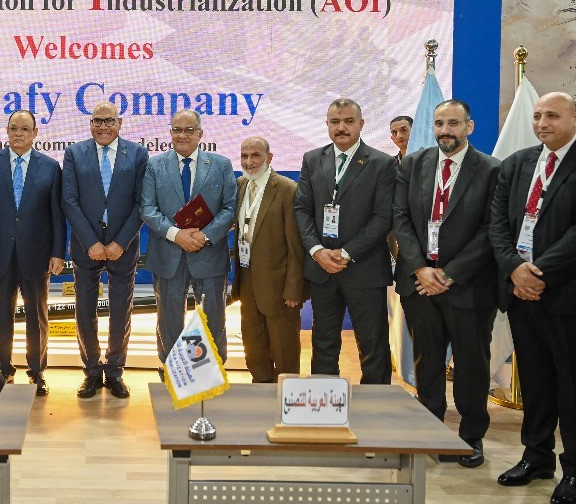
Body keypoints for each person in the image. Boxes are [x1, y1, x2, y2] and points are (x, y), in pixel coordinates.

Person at [489, 92, 576, 504]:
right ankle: (537, 456)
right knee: (536, 380)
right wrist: (514, 268)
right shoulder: (516, 163)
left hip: (571, 296)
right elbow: (498, 222)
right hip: (522, 292)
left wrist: (536, 272)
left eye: (552, 115)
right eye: (537, 116)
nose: (542, 123)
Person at [392, 99, 500, 467]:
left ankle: (471, 437)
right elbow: (400, 218)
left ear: (469, 126)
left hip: (468, 286)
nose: (445, 131)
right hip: (420, 284)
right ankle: (430, 429)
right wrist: (420, 269)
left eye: (453, 123)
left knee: (471, 364)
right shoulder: (413, 164)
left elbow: (491, 229)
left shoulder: (491, 169)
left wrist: (450, 274)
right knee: (427, 361)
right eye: (439, 123)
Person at [293, 98, 397, 384]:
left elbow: (383, 218)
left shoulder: (382, 163)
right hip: (322, 268)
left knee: (373, 344)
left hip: (365, 268)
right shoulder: (312, 159)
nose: (341, 127)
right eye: (335, 121)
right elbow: (302, 209)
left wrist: (347, 252)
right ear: (327, 124)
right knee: (323, 342)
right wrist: (317, 251)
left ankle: (374, 403)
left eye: (348, 121)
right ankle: (324, 401)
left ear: (361, 124)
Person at [0, 111, 65, 396]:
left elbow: (57, 215)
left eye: (25, 129)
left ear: (35, 133)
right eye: (14, 128)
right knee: (1, 316)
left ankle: (37, 371)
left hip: (37, 254)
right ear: (7, 130)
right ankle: (3, 369)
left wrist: (58, 252)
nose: (19, 133)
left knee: (37, 317)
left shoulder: (50, 167)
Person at [62, 101, 149, 398]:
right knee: (84, 310)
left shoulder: (137, 154)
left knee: (121, 310)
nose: (103, 126)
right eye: (97, 121)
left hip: (123, 246)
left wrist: (120, 242)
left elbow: (142, 203)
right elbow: (69, 201)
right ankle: (91, 370)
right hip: (86, 247)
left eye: (109, 120)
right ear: (90, 124)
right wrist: (91, 243)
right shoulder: (75, 153)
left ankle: (114, 371)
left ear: (119, 123)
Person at [140, 110, 237, 364]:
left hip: (209, 254)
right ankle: (171, 373)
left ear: (200, 134)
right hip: (168, 256)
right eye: (177, 130)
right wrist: (176, 235)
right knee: (169, 321)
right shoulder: (154, 165)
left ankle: (212, 373)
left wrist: (205, 236)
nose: (182, 135)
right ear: (170, 133)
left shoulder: (221, 164)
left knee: (213, 320)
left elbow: (230, 208)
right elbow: (147, 209)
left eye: (189, 130)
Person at [231, 136, 306, 383]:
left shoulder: (287, 189)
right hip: (247, 279)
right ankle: (260, 386)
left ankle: (287, 392)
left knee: (284, 346)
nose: (249, 161)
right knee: (253, 342)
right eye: (244, 156)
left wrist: (294, 288)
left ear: (269, 157)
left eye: (255, 155)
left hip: (279, 283)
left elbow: (296, 245)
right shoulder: (240, 185)